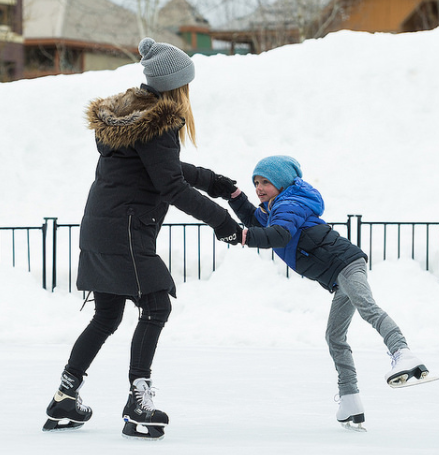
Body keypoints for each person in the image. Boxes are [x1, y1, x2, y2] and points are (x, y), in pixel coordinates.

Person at [42, 37, 242, 439]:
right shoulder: (159, 122)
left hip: (100, 227)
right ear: (177, 85)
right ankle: (139, 398)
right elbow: (171, 186)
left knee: (107, 315)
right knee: (155, 306)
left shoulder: (131, 117)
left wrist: (214, 182)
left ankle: (65, 395)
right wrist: (224, 222)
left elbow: (161, 168)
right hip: (127, 231)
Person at [215, 154, 429, 430]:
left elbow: (278, 235)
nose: (259, 187)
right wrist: (234, 195)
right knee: (334, 336)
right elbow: (256, 220)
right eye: (256, 182)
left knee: (366, 307)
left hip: (346, 263)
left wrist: (243, 237)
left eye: (266, 181)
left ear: (281, 182)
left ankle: (403, 352)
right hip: (337, 275)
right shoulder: (274, 208)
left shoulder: (290, 205)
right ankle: (350, 398)